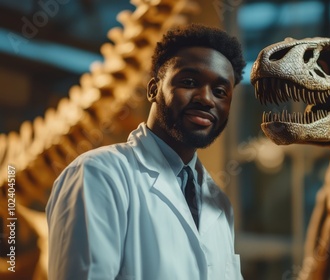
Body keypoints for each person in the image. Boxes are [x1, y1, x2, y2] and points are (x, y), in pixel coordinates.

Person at [46, 23, 246, 280]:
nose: (206, 99)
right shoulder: (98, 174)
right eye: (189, 81)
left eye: (220, 92)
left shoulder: (218, 203)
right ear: (153, 89)